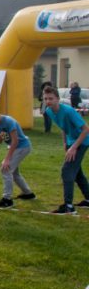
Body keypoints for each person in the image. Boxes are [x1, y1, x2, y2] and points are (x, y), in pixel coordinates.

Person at [41, 86, 89, 214]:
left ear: (57, 99)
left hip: (82, 141)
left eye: (51, 98)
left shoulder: (68, 111)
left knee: (67, 171)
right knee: (77, 173)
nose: (48, 101)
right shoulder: (49, 111)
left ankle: (68, 207)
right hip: (70, 142)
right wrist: (65, 143)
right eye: (46, 98)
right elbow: (63, 126)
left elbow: (86, 129)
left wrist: (73, 147)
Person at [0, 106, 35, 208]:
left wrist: (7, 159)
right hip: (16, 148)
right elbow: (0, 140)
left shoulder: (9, 121)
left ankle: (7, 200)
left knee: (5, 169)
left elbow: (15, 141)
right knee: (14, 173)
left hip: (22, 147)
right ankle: (28, 194)